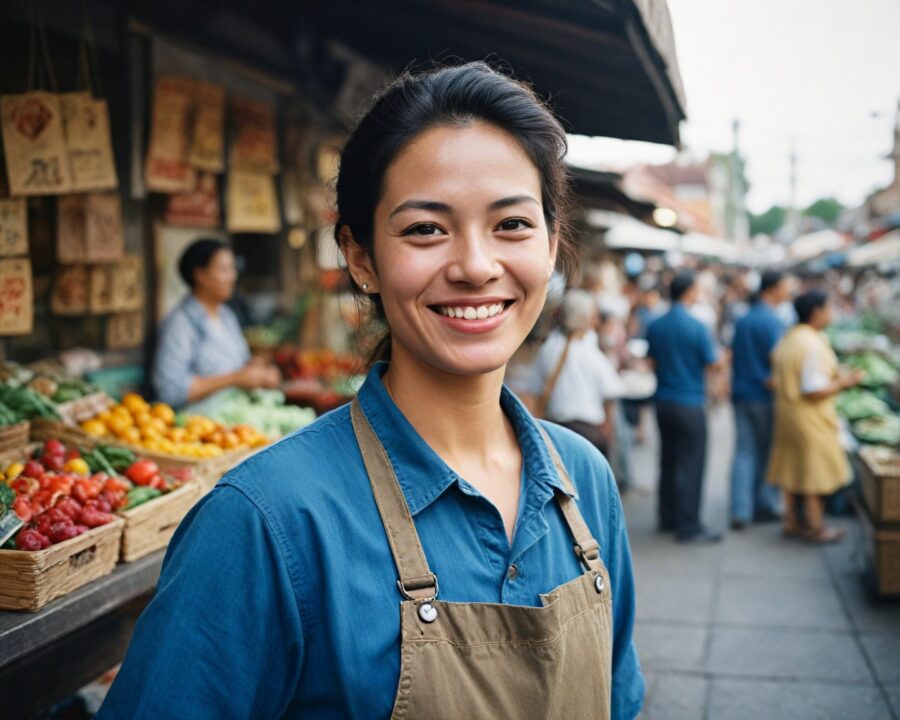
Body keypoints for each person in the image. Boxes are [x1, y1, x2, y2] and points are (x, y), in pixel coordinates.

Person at [99, 63, 644, 719]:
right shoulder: (265, 521)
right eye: (425, 229)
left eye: (512, 225)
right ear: (361, 259)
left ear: (552, 246)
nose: (475, 266)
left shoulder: (583, 482)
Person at [767, 289, 863, 543]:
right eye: (829, 309)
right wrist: (844, 382)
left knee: (792, 470)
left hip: (787, 414)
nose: (831, 314)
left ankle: (792, 522)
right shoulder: (811, 344)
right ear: (816, 312)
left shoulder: (790, 337)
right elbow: (813, 390)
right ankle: (815, 527)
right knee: (813, 475)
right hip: (809, 419)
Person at [152, 238, 281, 408]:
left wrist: (258, 371)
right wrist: (235, 378)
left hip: (237, 415)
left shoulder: (227, 316)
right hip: (200, 421)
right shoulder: (180, 324)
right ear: (200, 275)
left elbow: (239, 367)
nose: (232, 277)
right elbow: (171, 391)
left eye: (233, 269)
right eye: (224, 270)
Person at [647, 270, 723, 543]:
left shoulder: (656, 324)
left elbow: (652, 360)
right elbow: (712, 363)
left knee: (668, 459)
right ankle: (688, 525)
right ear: (690, 292)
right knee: (691, 464)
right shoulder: (697, 326)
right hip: (689, 401)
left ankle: (667, 517)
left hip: (664, 400)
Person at [728, 270, 790, 529]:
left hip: (741, 392)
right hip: (762, 395)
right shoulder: (772, 321)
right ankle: (762, 505)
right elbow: (778, 360)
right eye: (785, 286)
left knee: (744, 451)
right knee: (763, 451)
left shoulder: (743, 319)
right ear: (772, 288)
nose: (787, 291)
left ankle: (740, 510)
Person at [531, 288, 624, 455]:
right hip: (589, 434)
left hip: (555, 432)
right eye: (593, 316)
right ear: (584, 318)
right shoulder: (589, 353)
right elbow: (611, 392)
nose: (596, 321)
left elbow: (535, 390)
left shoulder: (548, 348)